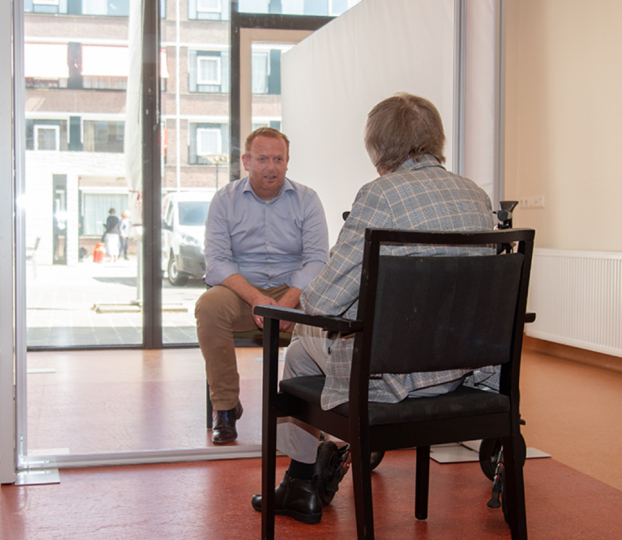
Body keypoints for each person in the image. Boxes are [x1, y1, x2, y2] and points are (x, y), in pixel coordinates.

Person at [251, 93, 496, 524]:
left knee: (299, 346)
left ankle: (300, 483)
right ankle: (303, 481)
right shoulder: (475, 196)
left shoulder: (379, 196)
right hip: (463, 370)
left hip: (393, 379)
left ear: (378, 147)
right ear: (436, 138)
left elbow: (323, 300)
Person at [196, 127, 329, 445]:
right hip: (242, 293)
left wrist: (288, 301)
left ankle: (304, 413)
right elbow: (216, 262)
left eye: (278, 158)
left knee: (329, 310)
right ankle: (225, 408)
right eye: (262, 158)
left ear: (287, 162)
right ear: (246, 161)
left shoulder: (308, 200)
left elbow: (317, 261)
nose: (271, 166)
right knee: (208, 306)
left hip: (292, 295)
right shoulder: (224, 200)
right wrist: (259, 300)